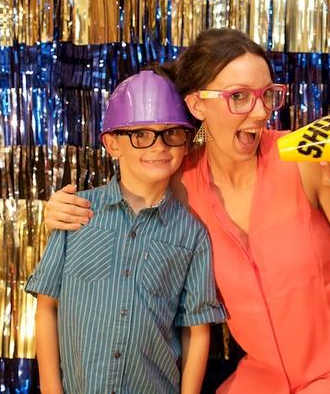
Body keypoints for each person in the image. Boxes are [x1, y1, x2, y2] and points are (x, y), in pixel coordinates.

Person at [44, 28, 330, 393]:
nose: (260, 113)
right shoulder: (181, 183)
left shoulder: (302, 156)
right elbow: (127, 199)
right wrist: (61, 209)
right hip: (268, 376)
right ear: (198, 105)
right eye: (240, 97)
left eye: (267, 96)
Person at [25, 70, 227, 394]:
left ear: (186, 141)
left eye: (171, 133)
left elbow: (196, 331)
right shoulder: (76, 213)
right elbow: (47, 306)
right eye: (141, 134)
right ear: (113, 143)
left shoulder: (192, 235)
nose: (158, 146)